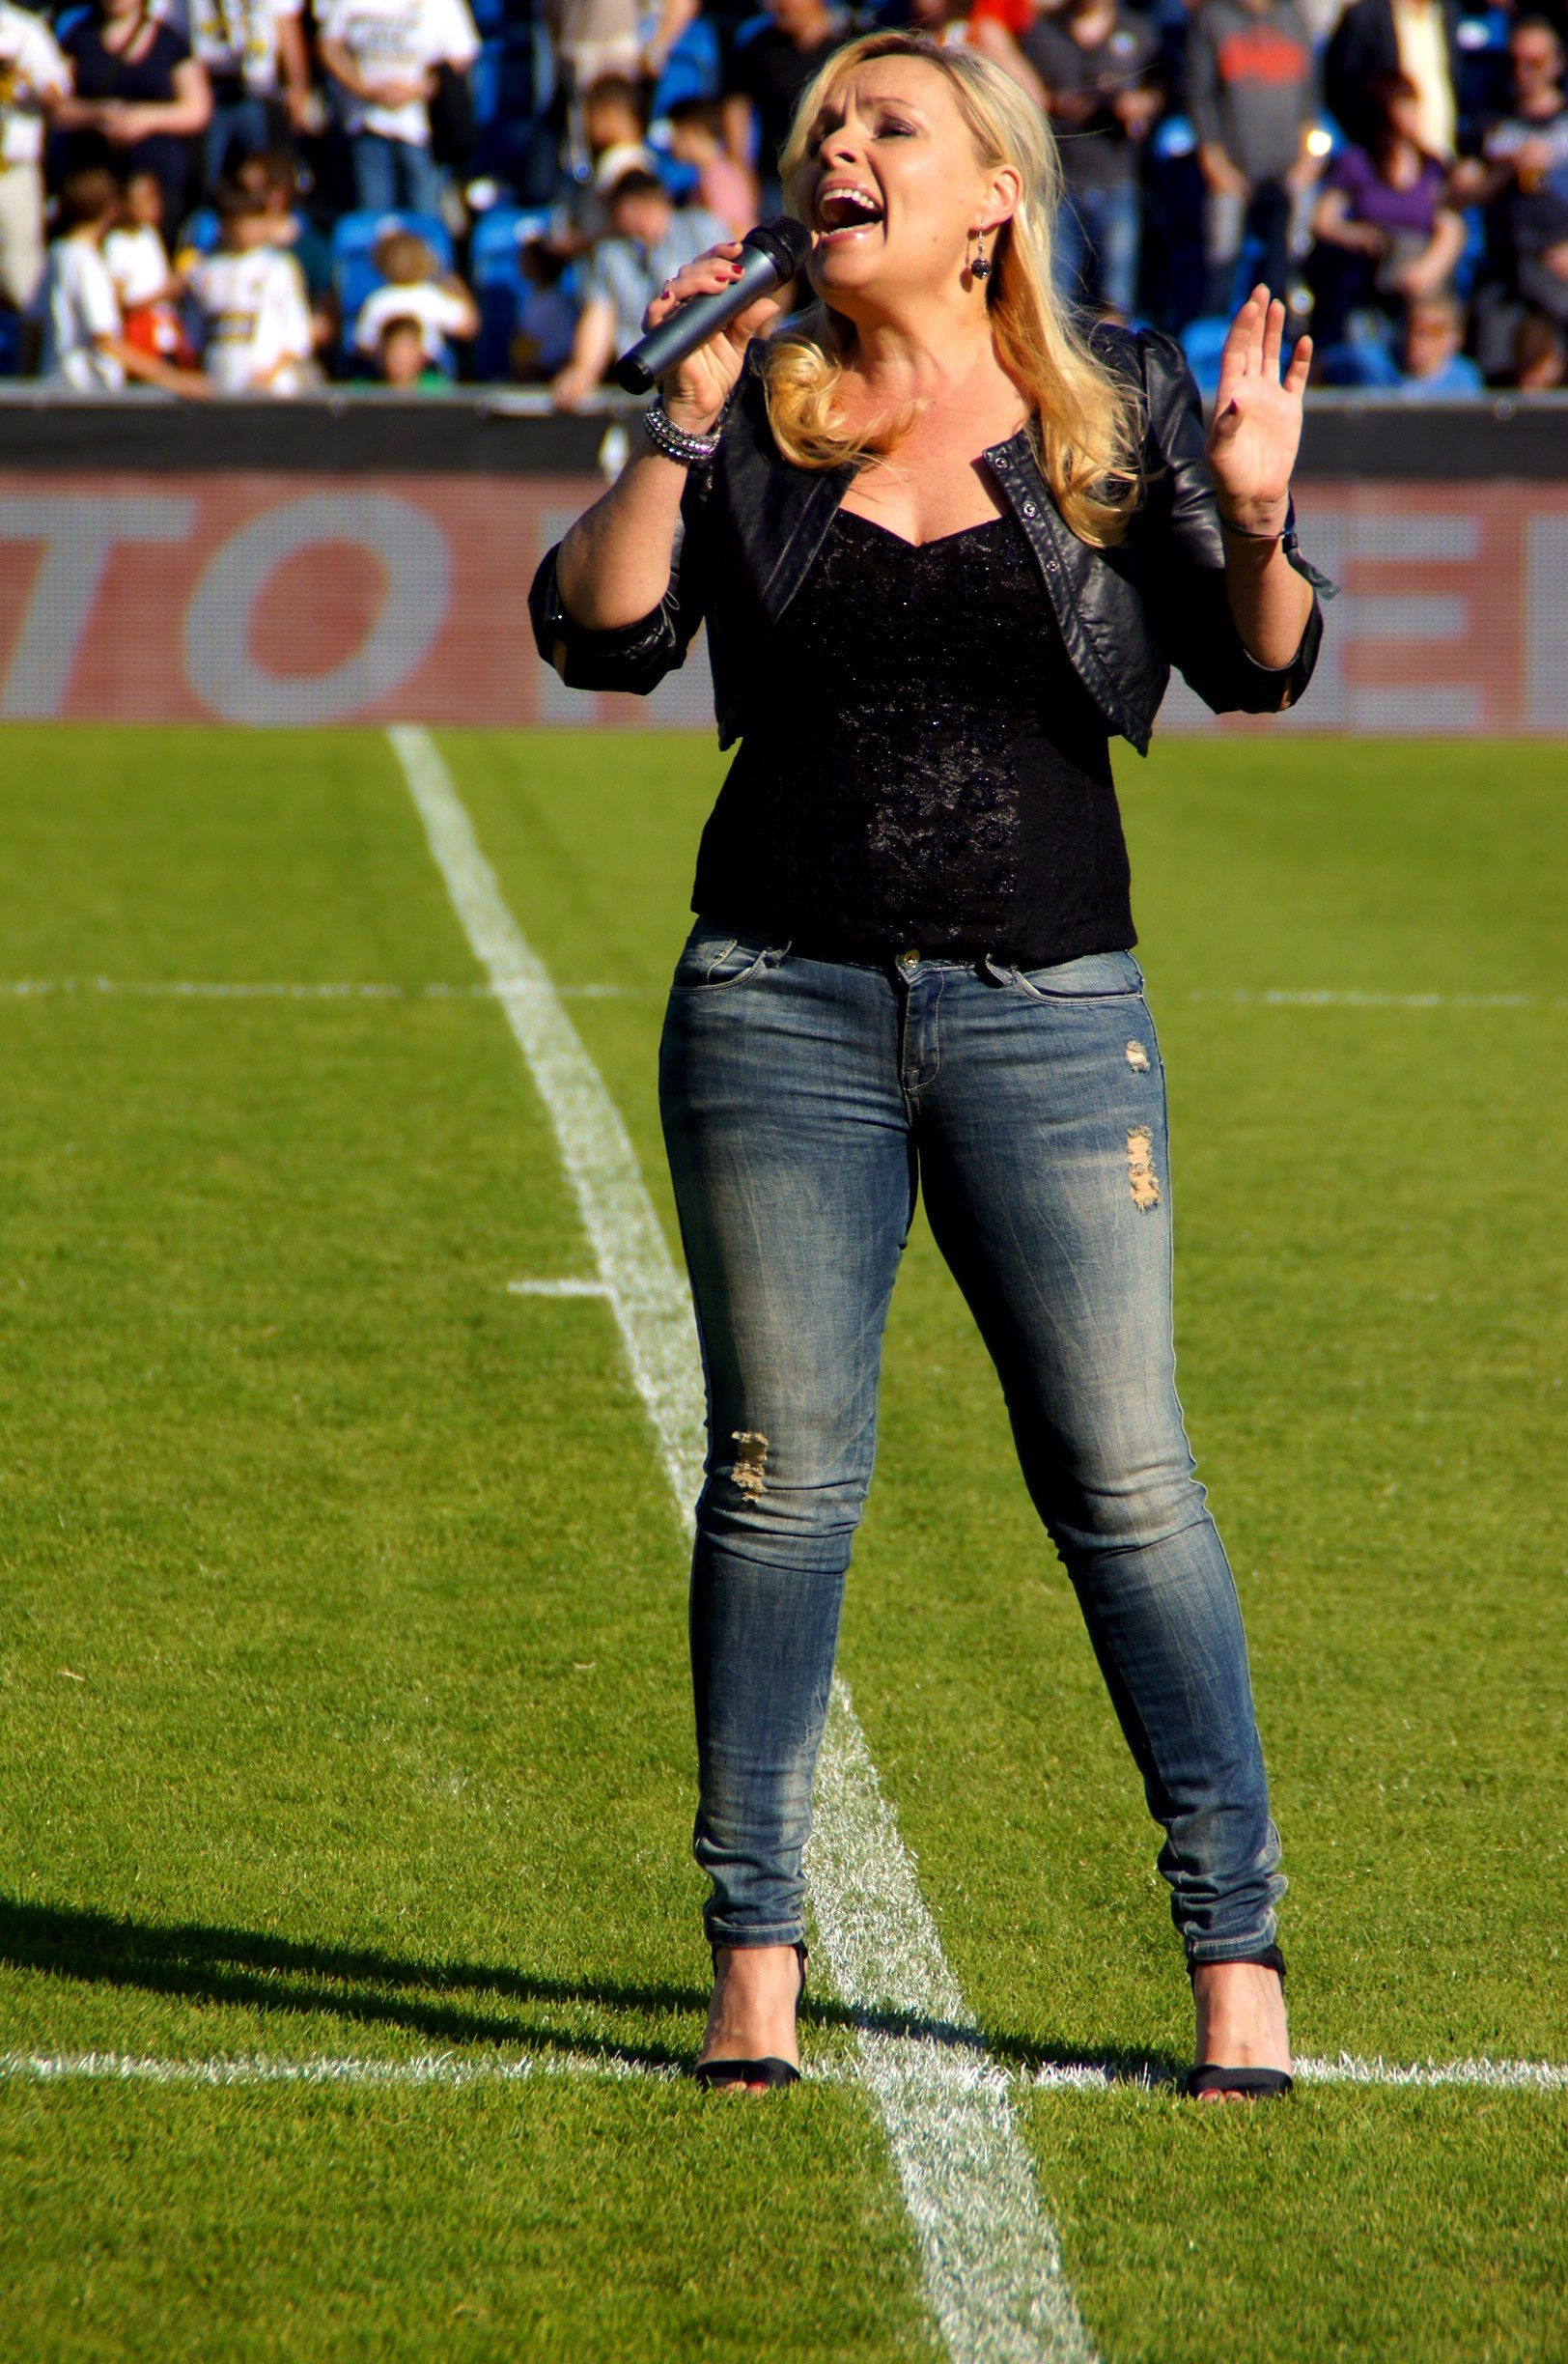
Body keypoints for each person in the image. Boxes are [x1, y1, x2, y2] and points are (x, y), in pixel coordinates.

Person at [529, 30, 1332, 2102]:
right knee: (775, 1486)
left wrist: (1256, 520)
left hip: (1050, 1017)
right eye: (824, 126)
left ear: (990, 199)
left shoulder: (1111, 401)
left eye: (888, 124)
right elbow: (597, 633)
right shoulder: (757, 405)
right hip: (772, 1004)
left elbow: (1251, 665)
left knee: (1124, 1486)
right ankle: (752, 1965)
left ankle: (1234, 1959)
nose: (838, 149)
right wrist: (671, 419)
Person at [548, 166, 731, 406]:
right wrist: (582, 371)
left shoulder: (702, 228)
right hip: (644, 382)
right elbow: (599, 315)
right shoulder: (608, 253)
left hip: (712, 370)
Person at [1307, 70, 1467, 342]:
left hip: (1416, 278)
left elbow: (1450, 224)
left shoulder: (1432, 166)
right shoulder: (1357, 163)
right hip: (1367, 281)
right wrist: (1358, 236)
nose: (1411, 114)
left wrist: (1424, 272)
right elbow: (1323, 221)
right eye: (1402, 106)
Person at [1025, 0, 1161, 318]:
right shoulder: (1042, 31)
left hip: (1116, 177)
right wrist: (1057, 103)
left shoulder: (1140, 31)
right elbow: (1024, 94)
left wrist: (1141, 104)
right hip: (1059, 181)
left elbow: (1161, 88)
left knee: (1115, 300)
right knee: (1053, 298)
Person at [1186, 0, 1320, 318]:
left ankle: (1286, 328)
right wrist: (1215, 163)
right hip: (1231, 170)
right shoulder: (1214, 18)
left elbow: (1309, 101)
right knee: (1222, 263)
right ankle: (1214, 332)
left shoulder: (1293, 17)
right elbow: (1200, 98)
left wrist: (1306, 165)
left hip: (1289, 172)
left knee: (1288, 262)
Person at [34, 161, 206, 388]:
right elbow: (105, 340)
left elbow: (32, 326)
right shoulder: (86, 262)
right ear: (111, 210)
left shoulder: (57, 253)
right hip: (85, 388)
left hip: (53, 383)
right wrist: (173, 379)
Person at [52, 0, 213, 239]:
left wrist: (147, 118)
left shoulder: (170, 41)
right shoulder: (78, 38)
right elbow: (56, 107)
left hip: (156, 175)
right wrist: (97, 113)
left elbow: (197, 109)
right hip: (95, 171)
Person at [316, 0, 480, 215]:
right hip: (367, 123)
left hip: (421, 131)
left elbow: (461, 57)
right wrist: (363, 88)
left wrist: (416, 90)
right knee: (372, 213)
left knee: (423, 214)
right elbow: (329, 46)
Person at [722, 0, 859, 212]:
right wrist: (740, 169)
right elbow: (736, 108)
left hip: (835, 170)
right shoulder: (760, 47)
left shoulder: (849, 44)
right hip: (776, 180)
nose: (775, 6)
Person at [183, 172, 314, 389]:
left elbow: (297, 336)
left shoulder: (279, 268)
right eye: (237, 220)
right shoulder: (204, 270)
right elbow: (194, 336)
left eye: (252, 219)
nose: (245, 228)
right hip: (219, 386)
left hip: (269, 389)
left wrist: (268, 374)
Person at [182, 0, 314, 191]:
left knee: (266, 176)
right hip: (207, 84)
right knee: (205, 181)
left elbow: (287, 21)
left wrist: (298, 86)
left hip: (259, 86)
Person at [0, 0, 71, 312]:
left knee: (22, 276)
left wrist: (20, 76)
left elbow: (58, 96)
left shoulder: (21, 29)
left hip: (12, 167)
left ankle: (27, 340)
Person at [1325, 0, 1461, 162]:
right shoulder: (1364, 18)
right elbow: (1339, 90)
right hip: (1384, 164)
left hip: (1444, 158)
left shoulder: (1447, 13)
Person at [351, 223, 476, 363]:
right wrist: (449, 279)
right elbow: (468, 326)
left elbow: (363, 344)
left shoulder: (377, 299)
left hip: (428, 371)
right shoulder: (430, 296)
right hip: (390, 371)